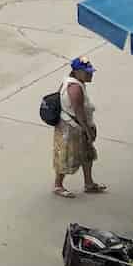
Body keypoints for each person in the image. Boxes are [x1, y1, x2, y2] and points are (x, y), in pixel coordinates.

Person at [53, 58, 106, 198]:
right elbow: (79, 113)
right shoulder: (75, 88)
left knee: (87, 154)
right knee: (65, 156)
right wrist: (88, 131)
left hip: (73, 125)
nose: (90, 75)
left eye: (91, 72)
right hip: (72, 128)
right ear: (76, 72)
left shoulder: (71, 82)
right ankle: (58, 185)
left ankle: (89, 183)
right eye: (87, 72)